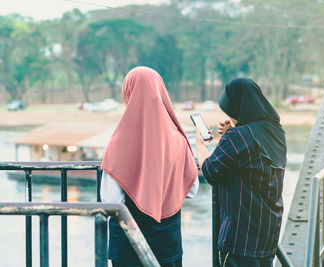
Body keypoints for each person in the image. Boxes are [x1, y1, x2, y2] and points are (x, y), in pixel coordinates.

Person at [101, 66, 199, 267]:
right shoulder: (178, 140)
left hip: (128, 247)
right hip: (168, 246)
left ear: (128, 92)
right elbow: (192, 190)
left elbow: (111, 200)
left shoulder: (119, 142)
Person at [196, 78, 287, 267]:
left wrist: (200, 145)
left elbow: (211, 171)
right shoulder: (276, 131)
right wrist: (231, 134)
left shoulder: (238, 137)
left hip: (240, 240)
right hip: (267, 236)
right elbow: (253, 160)